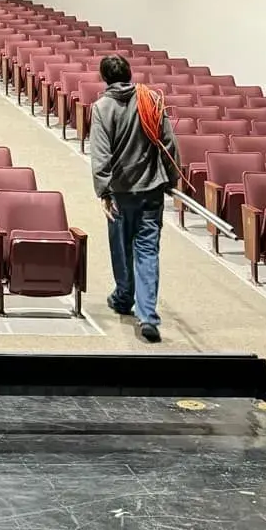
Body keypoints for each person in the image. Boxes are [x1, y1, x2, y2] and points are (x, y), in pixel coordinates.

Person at [88, 53, 178, 343]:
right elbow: (169, 144)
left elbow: (100, 154)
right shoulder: (150, 99)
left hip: (121, 192)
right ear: (129, 74)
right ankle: (148, 315)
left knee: (121, 246)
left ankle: (125, 296)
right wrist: (171, 181)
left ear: (104, 79)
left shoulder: (102, 107)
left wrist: (103, 190)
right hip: (151, 189)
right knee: (148, 250)